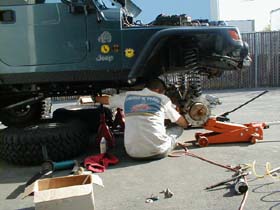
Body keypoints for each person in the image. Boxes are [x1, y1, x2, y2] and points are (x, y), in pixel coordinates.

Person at [95, 78, 189, 160]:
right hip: (158, 151)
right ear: (158, 90)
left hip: (132, 153)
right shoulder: (163, 99)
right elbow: (181, 122)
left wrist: (96, 97)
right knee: (177, 129)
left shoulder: (128, 96)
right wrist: (186, 124)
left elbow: (106, 100)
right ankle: (171, 142)